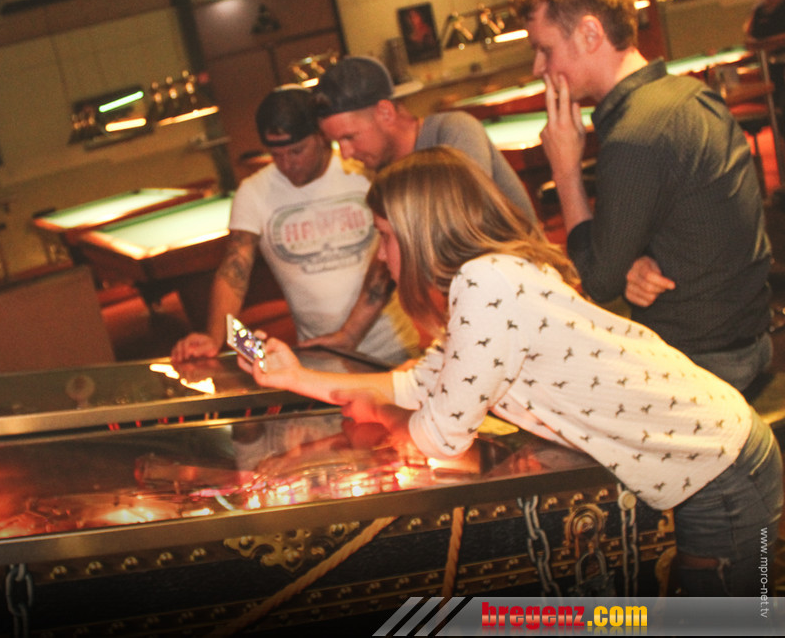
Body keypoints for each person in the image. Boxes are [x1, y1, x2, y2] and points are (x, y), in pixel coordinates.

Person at [239, 146, 783, 597]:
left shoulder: (485, 284)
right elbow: (413, 383)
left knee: (740, 621)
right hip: (710, 459)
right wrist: (294, 377)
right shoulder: (485, 280)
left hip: (721, 466)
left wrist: (384, 418)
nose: (381, 256)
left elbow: (440, 434)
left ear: (420, 232)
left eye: (386, 235)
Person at [513, 0, 773, 393]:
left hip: (706, 369)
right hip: (748, 342)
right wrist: (630, 263)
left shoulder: (635, 136)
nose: (538, 68)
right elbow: (686, 228)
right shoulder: (692, 95)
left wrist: (566, 170)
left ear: (590, 33)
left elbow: (598, 281)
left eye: (545, 49)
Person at [301, 55, 538, 352]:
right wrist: (349, 335)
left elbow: (457, 232)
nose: (346, 153)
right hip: (483, 313)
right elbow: (390, 252)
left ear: (385, 112)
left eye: (350, 137)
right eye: (338, 143)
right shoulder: (386, 169)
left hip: (527, 304)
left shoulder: (454, 130)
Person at [171, 86, 420, 366]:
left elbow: (387, 260)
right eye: (276, 155)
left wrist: (350, 334)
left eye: (296, 151)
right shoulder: (254, 192)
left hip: (393, 347)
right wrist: (215, 336)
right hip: (320, 357)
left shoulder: (362, 170)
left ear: (321, 137)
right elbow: (234, 270)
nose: (287, 164)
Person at [745, 0, 785, 108]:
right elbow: (749, 42)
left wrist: (763, 44)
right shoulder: (758, 11)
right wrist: (772, 43)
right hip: (769, 69)